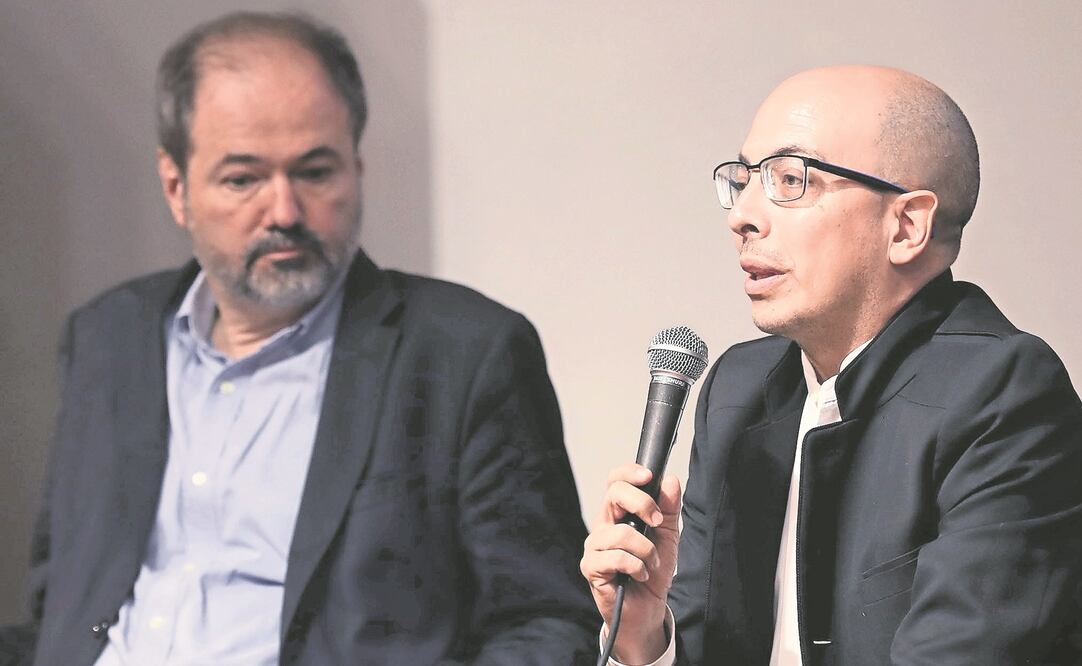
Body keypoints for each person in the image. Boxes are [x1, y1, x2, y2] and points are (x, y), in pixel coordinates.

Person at [1, 11, 597, 666]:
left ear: (357, 168)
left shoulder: (464, 356)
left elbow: (549, 623)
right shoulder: (107, 339)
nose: (284, 212)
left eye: (315, 172)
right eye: (243, 179)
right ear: (177, 188)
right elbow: (60, 609)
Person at [581, 65, 1082, 665]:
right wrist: (647, 641)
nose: (741, 217)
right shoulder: (740, 390)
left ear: (906, 226)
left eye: (791, 179)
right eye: (743, 179)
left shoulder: (1004, 393)